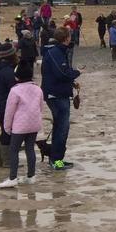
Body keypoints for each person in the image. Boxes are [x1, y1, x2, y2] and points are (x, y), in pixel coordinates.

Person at [40, 27, 81, 170]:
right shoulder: (55, 52)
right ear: (66, 38)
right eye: (69, 35)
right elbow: (61, 74)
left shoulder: (59, 51)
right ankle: (56, 161)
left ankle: (56, 159)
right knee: (62, 128)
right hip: (56, 95)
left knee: (61, 127)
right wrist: (77, 72)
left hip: (58, 93)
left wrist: (72, 83)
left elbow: (60, 74)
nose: (71, 37)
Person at [0, 61, 44, 188]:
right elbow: (41, 108)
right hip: (34, 125)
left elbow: (9, 111)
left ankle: (13, 178)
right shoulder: (38, 89)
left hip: (19, 127)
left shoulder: (15, 91)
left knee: (14, 150)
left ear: (17, 76)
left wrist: (7, 127)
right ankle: (31, 176)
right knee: (30, 150)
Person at [0, 41, 18, 168]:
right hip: (5, 105)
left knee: (4, 130)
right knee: (8, 132)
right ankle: (7, 161)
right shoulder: (8, 71)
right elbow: (14, 90)